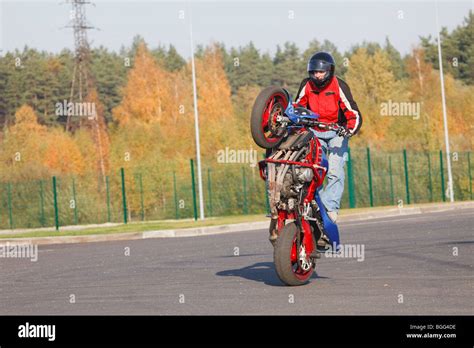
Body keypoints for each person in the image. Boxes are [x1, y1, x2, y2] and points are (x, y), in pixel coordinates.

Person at [294, 51, 362, 223]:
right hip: (315, 131)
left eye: (321, 72)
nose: (317, 75)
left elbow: (353, 112)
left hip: (336, 132)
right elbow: (297, 107)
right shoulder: (306, 85)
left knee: (334, 171)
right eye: (314, 72)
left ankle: (330, 208)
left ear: (329, 71)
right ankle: (310, 204)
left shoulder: (339, 85)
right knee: (314, 169)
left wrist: (349, 130)